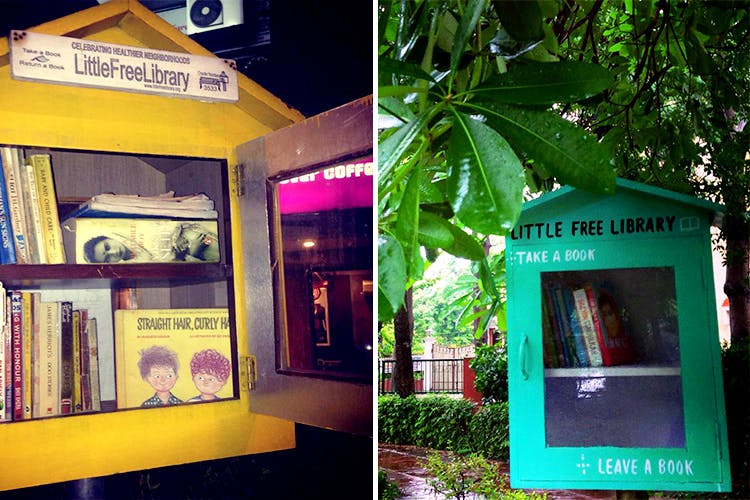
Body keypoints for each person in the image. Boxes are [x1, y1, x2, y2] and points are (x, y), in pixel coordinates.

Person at [82, 222, 219, 263]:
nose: (114, 252)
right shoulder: (137, 264)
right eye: (107, 257)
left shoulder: (137, 230)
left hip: (199, 239)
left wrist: (177, 238)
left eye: (107, 246)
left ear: (109, 238)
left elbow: (173, 223)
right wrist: (187, 254)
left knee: (208, 242)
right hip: (194, 257)